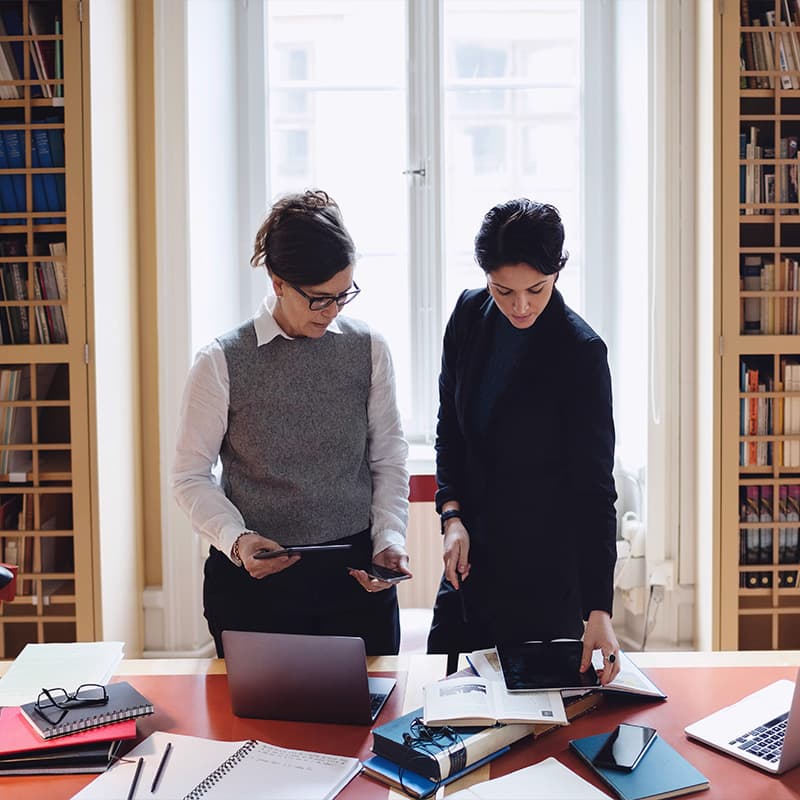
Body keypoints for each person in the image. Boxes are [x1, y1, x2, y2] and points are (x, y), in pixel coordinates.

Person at [172, 189, 411, 657]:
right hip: (254, 587)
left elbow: (388, 457)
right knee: (258, 708)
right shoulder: (220, 361)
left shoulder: (368, 348)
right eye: (319, 299)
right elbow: (190, 476)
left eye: (343, 295)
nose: (333, 310)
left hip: (355, 580)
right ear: (278, 282)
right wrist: (237, 541)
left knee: (373, 704)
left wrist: (389, 539)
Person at [426, 198, 621, 683]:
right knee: (442, 702)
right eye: (503, 290)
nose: (520, 306)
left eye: (536, 289)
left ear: (557, 271)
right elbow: (450, 428)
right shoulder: (468, 315)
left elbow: (595, 490)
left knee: (533, 717)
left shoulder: (581, 353)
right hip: (470, 566)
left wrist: (599, 609)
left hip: (544, 582)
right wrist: (451, 516)